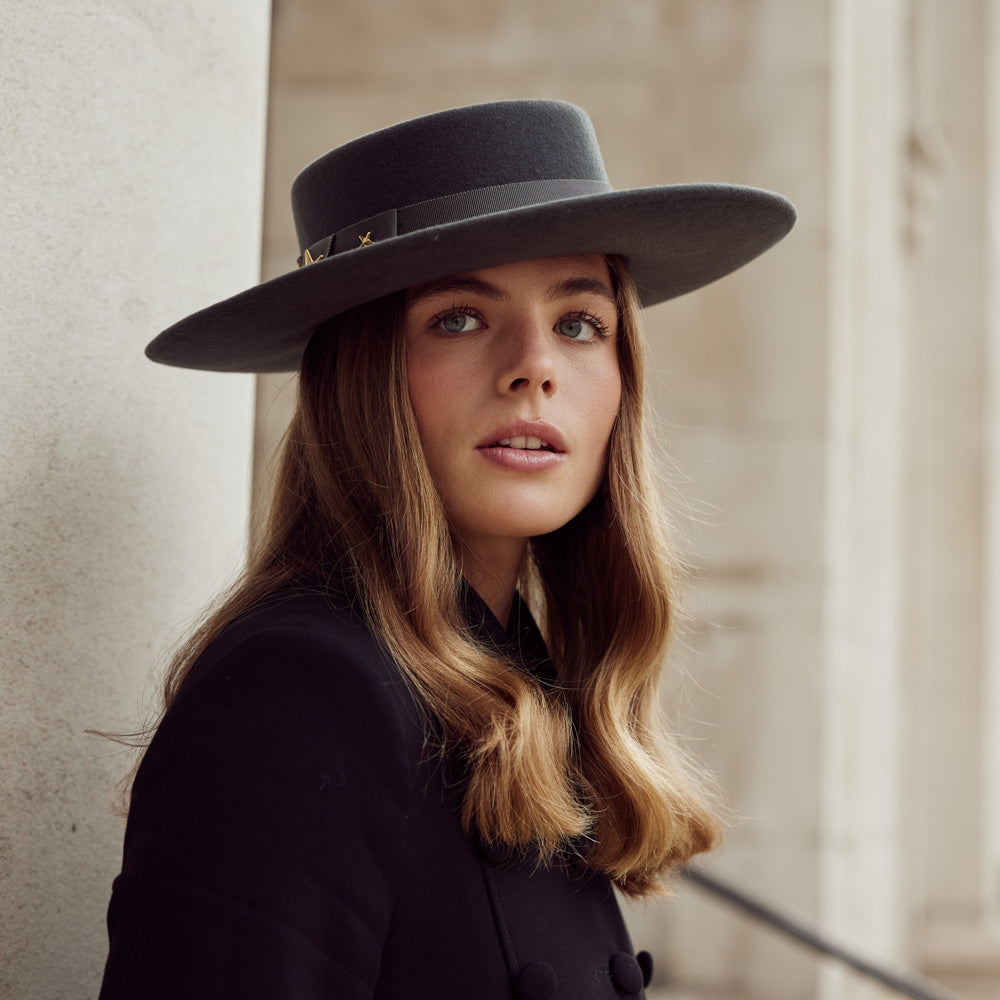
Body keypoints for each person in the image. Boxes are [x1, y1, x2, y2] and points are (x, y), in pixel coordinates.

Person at [98, 100, 794, 1000]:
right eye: (460, 317)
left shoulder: (529, 690)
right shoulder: (301, 692)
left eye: (581, 323)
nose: (534, 365)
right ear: (363, 376)